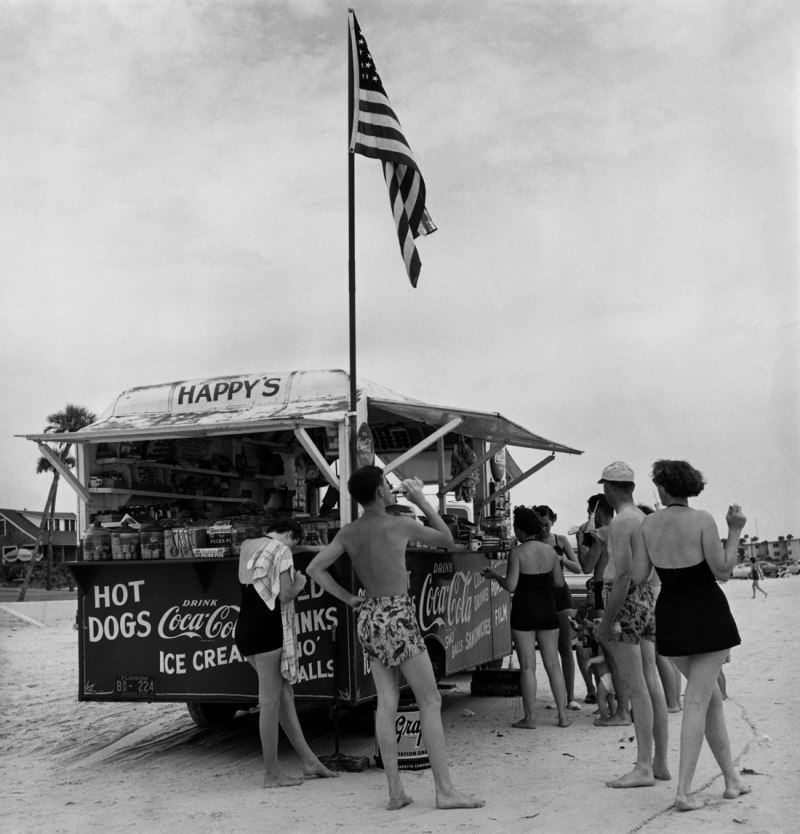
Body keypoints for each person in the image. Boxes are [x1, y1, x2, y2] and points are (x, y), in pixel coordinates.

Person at [307, 467, 484, 812]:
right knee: (430, 701)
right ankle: (445, 790)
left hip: (369, 614)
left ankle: (395, 791)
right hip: (397, 615)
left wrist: (347, 598)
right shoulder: (398, 524)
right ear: (379, 493)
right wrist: (422, 500)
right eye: (387, 487)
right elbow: (446, 539)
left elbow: (314, 568)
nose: (391, 492)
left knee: (386, 702)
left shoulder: (349, 532)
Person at [634, 459, 750, 811]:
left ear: (663, 488)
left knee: (709, 699)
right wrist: (735, 530)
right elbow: (724, 571)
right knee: (698, 701)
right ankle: (684, 792)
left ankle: (731, 780)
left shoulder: (647, 525)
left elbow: (639, 574)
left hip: (671, 612)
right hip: (707, 614)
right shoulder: (702, 520)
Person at [234, 519, 338, 788]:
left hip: (245, 628)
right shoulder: (282, 552)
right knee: (269, 704)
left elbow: (282, 545)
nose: (293, 548)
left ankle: (309, 761)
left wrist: (309, 546)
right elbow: (286, 595)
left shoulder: (249, 545)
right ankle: (272, 774)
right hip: (268, 630)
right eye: (294, 542)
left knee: (284, 696)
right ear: (289, 535)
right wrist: (300, 581)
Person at [593, 461, 670, 788]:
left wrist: (605, 621)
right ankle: (660, 762)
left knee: (636, 684)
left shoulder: (623, 521)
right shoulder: (643, 517)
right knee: (651, 680)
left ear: (609, 489)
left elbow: (622, 575)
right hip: (648, 598)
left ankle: (642, 767)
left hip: (626, 600)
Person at [483, 506, 571, 729]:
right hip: (547, 606)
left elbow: (511, 585)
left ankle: (530, 718)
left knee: (528, 666)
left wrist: (495, 577)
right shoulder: (551, 551)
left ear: (521, 529)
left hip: (524, 607)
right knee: (553, 664)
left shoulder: (517, 552)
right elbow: (559, 583)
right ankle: (563, 716)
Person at [578, 493, 632, 725]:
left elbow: (586, 565)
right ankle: (623, 704)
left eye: (590, 512)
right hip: (622, 588)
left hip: (603, 587)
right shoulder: (622, 528)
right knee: (623, 651)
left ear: (597, 512)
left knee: (609, 653)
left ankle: (619, 708)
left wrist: (583, 540)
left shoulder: (601, 534)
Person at [534, 504, 583, 710]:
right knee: (548, 651)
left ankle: (570, 696)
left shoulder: (560, 541)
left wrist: (560, 557)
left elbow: (578, 567)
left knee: (565, 648)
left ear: (552, 522)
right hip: (541, 597)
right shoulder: (532, 542)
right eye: (539, 525)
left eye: (546, 524)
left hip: (561, 597)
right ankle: (559, 695)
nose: (543, 529)